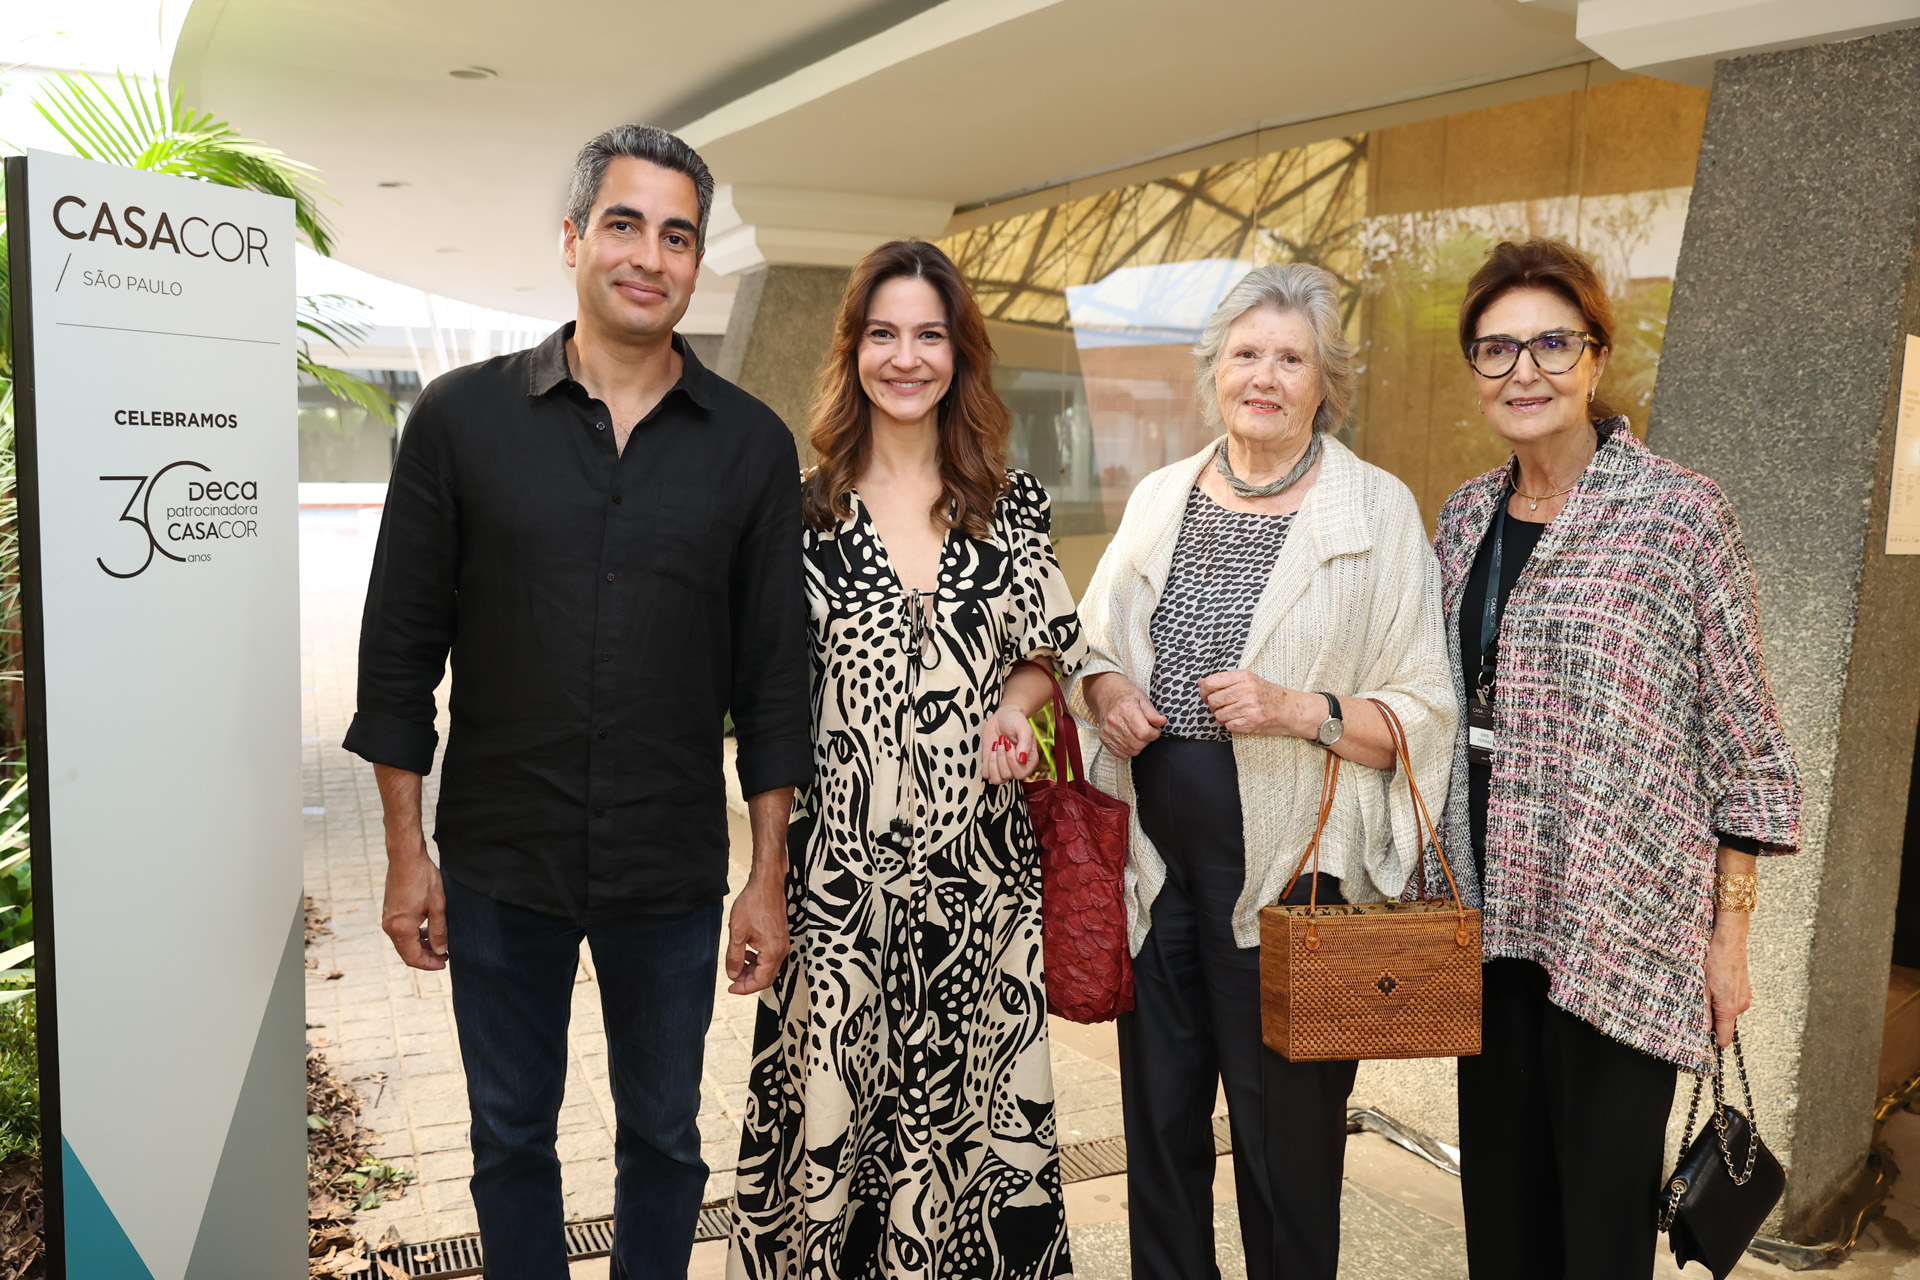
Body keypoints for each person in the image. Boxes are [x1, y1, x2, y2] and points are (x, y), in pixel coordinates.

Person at [345, 124, 810, 1280]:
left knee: (664, 1137)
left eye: (677, 234)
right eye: (624, 223)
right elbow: (399, 657)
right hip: (503, 861)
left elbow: (772, 680)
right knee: (509, 1139)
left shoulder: (751, 448)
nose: (649, 255)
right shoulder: (459, 422)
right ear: (571, 240)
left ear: (699, 262)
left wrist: (767, 872)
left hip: (667, 867)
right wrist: (408, 855)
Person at [1069, 262, 1454, 1280]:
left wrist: (1298, 709)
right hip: (1156, 870)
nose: (1266, 376)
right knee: (1157, 1126)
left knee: (1285, 1151)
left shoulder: (1376, 511)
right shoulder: (1160, 495)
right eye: (1247, 354)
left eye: (1293, 358)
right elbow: (1090, 642)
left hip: (1293, 883)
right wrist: (1107, 692)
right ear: (1215, 373)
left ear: (1328, 380)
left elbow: (1424, 711)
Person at [1435, 238, 1803, 1279]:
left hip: (1622, 927)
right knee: (1501, 1224)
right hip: (1491, 923)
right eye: (1496, 349)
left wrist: (1727, 940)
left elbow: (1747, 743)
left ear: (1596, 357)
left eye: (1552, 341)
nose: (1525, 370)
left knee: (1598, 1235)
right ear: (1474, 371)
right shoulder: (1464, 514)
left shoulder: (1680, 511)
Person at [728, 239, 1085, 1280]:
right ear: (854, 351)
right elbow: (767, 710)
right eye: (884, 333)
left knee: (977, 1141)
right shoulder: (798, 513)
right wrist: (765, 874)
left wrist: (1020, 714)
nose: (906, 355)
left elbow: (1040, 658)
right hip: (840, 887)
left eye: (929, 334)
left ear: (959, 355)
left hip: (983, 887)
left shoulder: (1011, 507)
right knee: (838, 1137)